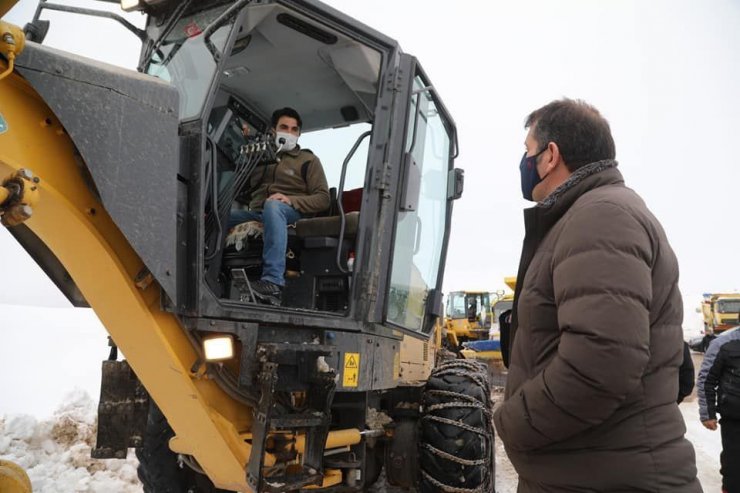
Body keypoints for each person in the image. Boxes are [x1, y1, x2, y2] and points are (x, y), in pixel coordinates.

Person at [493, 98, 700, 491]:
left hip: (603, 475)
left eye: (527, 151)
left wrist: (511, 422)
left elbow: (602, 361)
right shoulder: (588, 215)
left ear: (551, 155)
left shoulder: (599, 216)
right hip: (591, 468)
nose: (523, 162)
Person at [229, 107, 329, 305]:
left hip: (292, 213)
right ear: (273, 130)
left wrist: (291, 200)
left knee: (274, 206)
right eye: (284, 127)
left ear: (299, 134)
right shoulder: (259, 157)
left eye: (294, 129)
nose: (289, 133)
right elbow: (239, 189)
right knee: (218, 215)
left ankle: (273, 281)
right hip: (259, 213)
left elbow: (323, 198)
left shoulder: (309, 160)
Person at [697, 327, 740, 493]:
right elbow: (706, 380)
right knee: (734, 470)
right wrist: (707, 413)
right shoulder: (723, 343)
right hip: (735, 422)